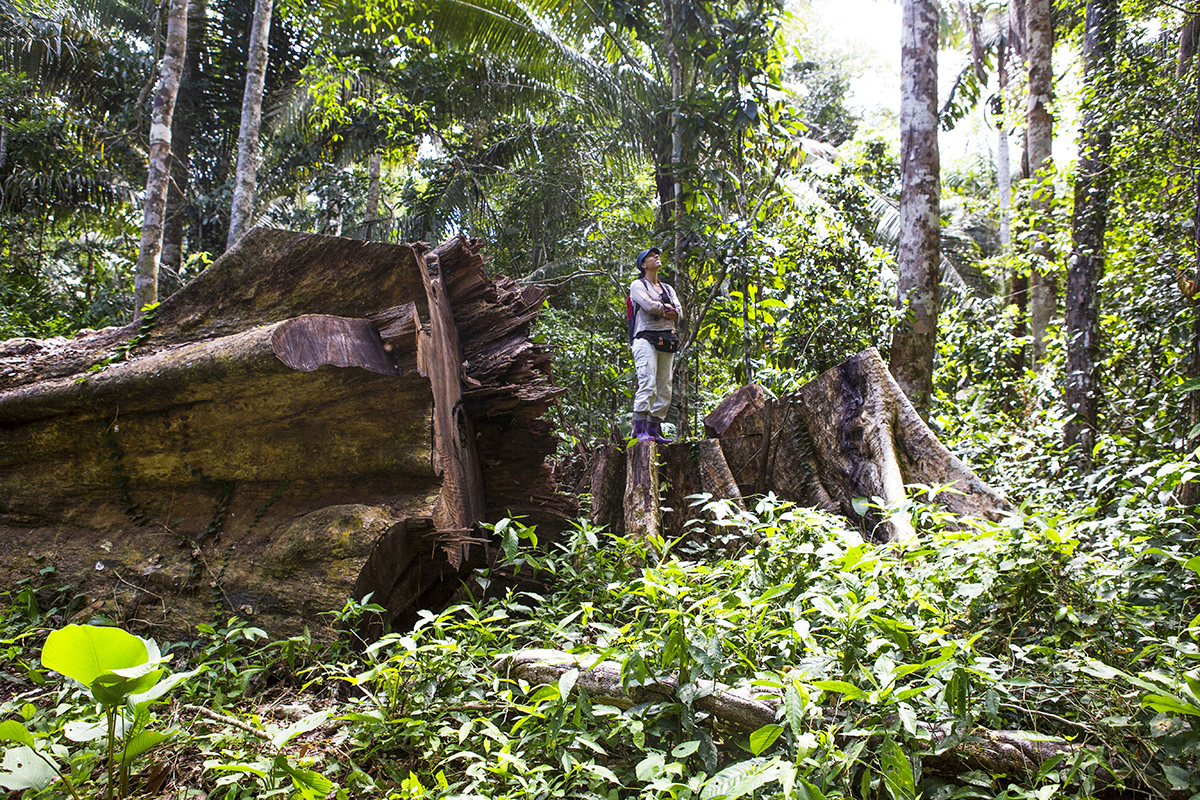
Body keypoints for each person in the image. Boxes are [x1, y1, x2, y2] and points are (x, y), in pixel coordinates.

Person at [629, 246, 683, 443]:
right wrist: (666, 309)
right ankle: (641, 430)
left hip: (667, 339)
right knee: (647, 381)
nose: (656, 257)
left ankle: (654, 430)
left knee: (665, 386)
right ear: (643, 265)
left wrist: (662, 309)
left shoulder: (668, 289)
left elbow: (679, 313)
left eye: (656, 254)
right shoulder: (638, 285)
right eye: (651, 256)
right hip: (645, 338)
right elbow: (647, 305)